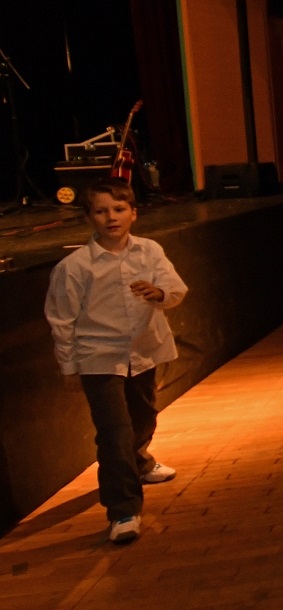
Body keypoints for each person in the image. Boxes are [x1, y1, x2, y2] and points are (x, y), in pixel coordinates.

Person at [43, 177, 186, 544]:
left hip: (143, 350)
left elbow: (176, 289)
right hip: (99, 357)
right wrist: (69, 366)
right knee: (114, 432)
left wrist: (158, 293)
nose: (111, 217)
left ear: (133, 213)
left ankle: (139, 461)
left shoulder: (149, 251)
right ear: (88, 217)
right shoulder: (75, 267)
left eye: (119, 209)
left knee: (143, 417)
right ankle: (122, 510)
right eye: (101, 211)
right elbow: (61, 319)